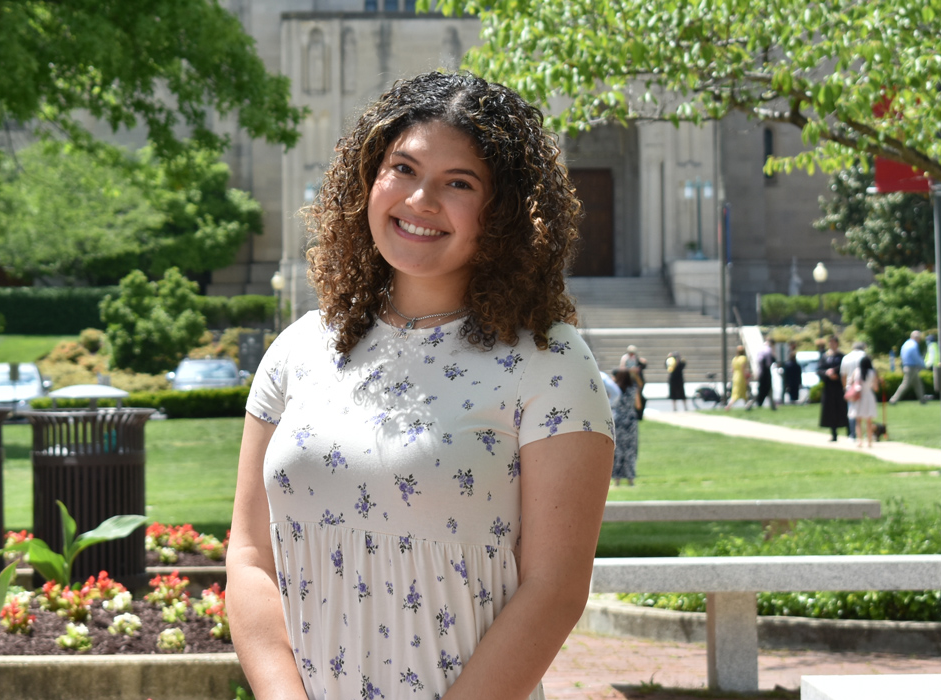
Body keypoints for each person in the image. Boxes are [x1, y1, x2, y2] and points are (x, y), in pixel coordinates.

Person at [225, 72, 615, 700]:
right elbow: (248, 556)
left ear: (504, 212)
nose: (421, 199)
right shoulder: (300, 349)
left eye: (458, 183)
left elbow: (556, 590)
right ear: (367, 181)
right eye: (402, 169)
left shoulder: (550, 362)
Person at [611, 368, 640, 487]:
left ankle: (617, 479)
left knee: (617, 450)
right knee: (630, 450)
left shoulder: (616, 389)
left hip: (618, 420)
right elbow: (638, 405)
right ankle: (630, 478)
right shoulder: (633, 389)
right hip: (631, 421)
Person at [817, 335, 848, 441]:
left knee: (843, 409)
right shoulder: (825, 356)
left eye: (834, 342)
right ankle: (833, 433)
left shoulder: (842, 356)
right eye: (830, 342)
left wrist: (836, 373)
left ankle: (849, 432)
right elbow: (819, 369)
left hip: (840, 387)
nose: (832, 344)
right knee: (831, 410)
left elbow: (845, 369)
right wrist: (827, 373)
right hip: (829, 387)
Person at [847, 356, 880, 448]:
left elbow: (850, 383)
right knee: (869, 420)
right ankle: (869, 441)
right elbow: (876, 388)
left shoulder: (856, 371)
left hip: (859, 396)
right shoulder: (873, 372)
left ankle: (859, 440)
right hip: (869, 396)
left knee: (858, 420)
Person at [840, 341, 868, 442]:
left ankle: (853, 434)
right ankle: (865, 434)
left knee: (852, 411)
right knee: (865, 410)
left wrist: (845, 387)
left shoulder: (846, 357)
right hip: (863, 386)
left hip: (850, 387)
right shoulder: (864, 356)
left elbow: (843, 375)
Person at [889, 331, 926, 404]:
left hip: (906, 366)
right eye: (919, 338)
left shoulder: (906, 343)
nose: (919, 340)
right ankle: (893, 400)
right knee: (905, 384)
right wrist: (923, 364)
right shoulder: (914, 345)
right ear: (916, 338)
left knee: (918, 384)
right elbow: (916, 357)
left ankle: (923, 400)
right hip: (911, 367)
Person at [750, 337, 778, 410]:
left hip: (761, 372)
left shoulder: (761, 349)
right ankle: (752, 404)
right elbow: (770, 362)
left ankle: (773, 407)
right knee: (764, 390)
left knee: (766, 390)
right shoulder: (768, 350)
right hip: (766, 372)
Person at [619, 347, 647, 420]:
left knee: (640, 399)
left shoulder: (636, 359)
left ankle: (639, 415)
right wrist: (630, 370)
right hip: (627, 381)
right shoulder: (625, 358)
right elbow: (622, 368)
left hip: (634, 380)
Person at [725, 345, 750, 410]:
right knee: (737, 393)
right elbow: (743, 369)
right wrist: (746, 378)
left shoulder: (735, 359)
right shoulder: (743, 358)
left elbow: (732, 370)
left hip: (735, 376)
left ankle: (747, 405)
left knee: (741, 392)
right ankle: (728, 406)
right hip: (740, 377)